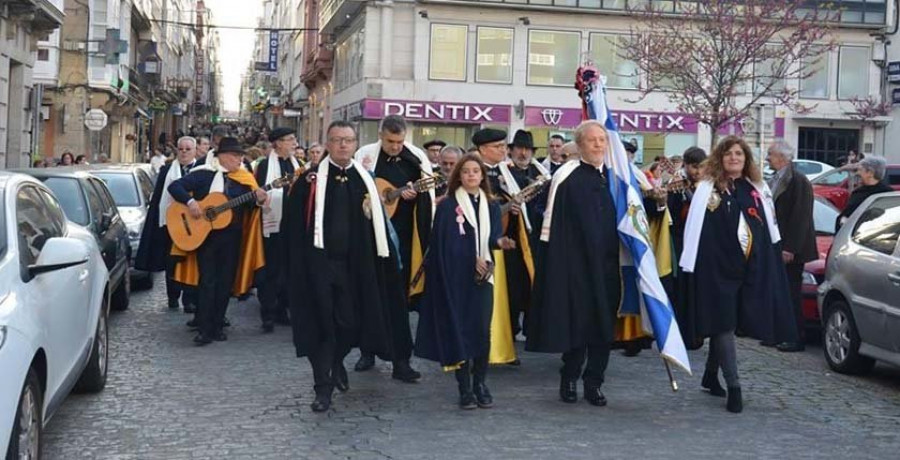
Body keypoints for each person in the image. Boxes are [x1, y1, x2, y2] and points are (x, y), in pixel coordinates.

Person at [285, 120, 404, 412]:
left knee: (350, 324)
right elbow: (292, 228)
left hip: (355, 267)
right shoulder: (309, 181)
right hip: (317, 266)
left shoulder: (364, 180)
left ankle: (337, 361)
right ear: (327, 144)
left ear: (355, 144)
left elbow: (379, 226)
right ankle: (322, 387)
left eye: (348, 140)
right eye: (336, 140)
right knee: (320, 325)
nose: (342, 145)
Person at [680, 135, 799, 413]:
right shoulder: (707, 189)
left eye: (739, 154)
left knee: (729, 324)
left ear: (746, 159)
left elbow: (767, 226)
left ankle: (711, 375)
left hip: (748, 270)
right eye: (728, 154)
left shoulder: (755, 188)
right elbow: (697, 230)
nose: (734, 158)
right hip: (715, 269)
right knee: (722, 324)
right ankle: (735, 387)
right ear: (719, 158)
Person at [526, 121, 622, 407]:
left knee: (604, 326)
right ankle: (569, 377)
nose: (598, 145)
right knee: (579, 324)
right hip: (577, 266)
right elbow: (552, 225)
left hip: (609, 265)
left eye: (602, 140)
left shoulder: (616, 178)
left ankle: (595, 383)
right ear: (579, 145)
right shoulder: (567, 178)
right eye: (592, 140)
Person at [415, 154, 515, 409]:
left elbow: (492, 237)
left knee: (482, 330)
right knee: (459, 329)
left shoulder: (491, 205)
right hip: (455, 277)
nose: (471, 175)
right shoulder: (448, 206)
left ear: (482, 176)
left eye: (476, 171)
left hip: (482, 277)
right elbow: (442, 244)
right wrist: (471, 258)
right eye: (466, 171)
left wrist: (501, 242)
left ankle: (480, 382)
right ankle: (464, 387)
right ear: (459, 175)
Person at [352, 115, 431, 382]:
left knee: (398, 303)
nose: (395, 146)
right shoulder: (365, 156)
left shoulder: (415, 159)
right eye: (390, 141)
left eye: (399, 141)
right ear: (380, 135)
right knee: (369, 297)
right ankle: (367, 352)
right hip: (372, 240)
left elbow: (427, 196)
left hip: (403, 244)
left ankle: (401, 361)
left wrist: (413, 196)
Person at [167, 137, 268, 345]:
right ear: (221, 156)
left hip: (232, 237)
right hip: (206, 237)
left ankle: (217, 324)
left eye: (241, 156)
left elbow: (250, 209)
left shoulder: (244, 179)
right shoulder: (203, 175)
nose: (239, 159)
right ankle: (204, 328)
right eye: (234, 155)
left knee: (225, 283)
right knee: (207, 282)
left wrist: (258, 199)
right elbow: (175, 187)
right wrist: (191, 201)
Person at [135, 136, 200, 313]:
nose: (184, 152)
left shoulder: (201, 170)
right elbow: (158, 198)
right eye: (181, 149)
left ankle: (189, 299)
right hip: (170, 224)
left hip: (193, 226)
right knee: (171, 261)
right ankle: (173, 295)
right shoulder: (167, 171)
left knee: (190, 262)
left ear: (195, 151)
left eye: (188, 149)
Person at [472, 128, 518, 365]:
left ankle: (496, 348)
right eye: (497, 147)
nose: (503, 150)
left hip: (495, 243)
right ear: (482, 150)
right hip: (475, 249)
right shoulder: (473, 173)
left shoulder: (500, 172)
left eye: (503, 146)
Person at [766, 141, 817, 353]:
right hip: (778, 244)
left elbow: (800, 217)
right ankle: (778, 333)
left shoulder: (798, 180)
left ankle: (796, 336)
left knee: (791, 294)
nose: (768, 158)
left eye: (770, 154)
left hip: (792, 249)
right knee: (779, 291)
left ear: (782, 157)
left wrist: (790, 248)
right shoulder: (777, 178)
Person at [501, 130, 547, 343]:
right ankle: (510, 331)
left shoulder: (542, 175)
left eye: (527, 149)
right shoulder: (503, 175)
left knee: (536, 285)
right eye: (519, 148)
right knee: (513, 287)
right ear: (510, 151)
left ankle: (533, 330)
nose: (523, 153)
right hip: (513, 239)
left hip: (537, 239)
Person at [254, 127, 301, 332]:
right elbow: (257, 190)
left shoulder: (296, 164)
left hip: (293, 224)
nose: (294, 143)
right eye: (290, 140)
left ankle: (283, 309)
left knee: (289, 270)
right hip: (272, 224)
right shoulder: (265, 165)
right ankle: (268, 313)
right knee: (271, 271)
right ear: (278, 143)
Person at [837, 156, 892, 229]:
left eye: (860, 170)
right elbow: (847, 215)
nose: (857, 173)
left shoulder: (888, 195)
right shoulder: (858, 192)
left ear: (870, 173)